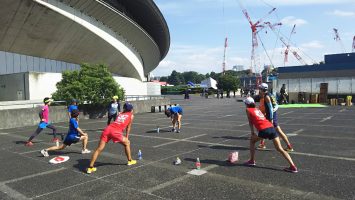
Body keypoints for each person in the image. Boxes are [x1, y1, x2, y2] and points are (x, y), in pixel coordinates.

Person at [244, 97, 298, 173]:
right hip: (271, 127)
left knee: (252, 141)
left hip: (264, 130)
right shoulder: (257, 109)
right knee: (280, 149)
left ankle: (252, 160)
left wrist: (252, 132)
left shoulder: (248, 110)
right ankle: (293, 166)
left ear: (246, 104)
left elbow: (250, 122)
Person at [87, 102, 137, 174]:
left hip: (108, 129)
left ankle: (90, 168)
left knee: (99, 149)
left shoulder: (120, 114)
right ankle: (130, 160)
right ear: (131, 109)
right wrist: (127, 137)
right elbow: (128, 128)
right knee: (127, 143)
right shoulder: (131, 116)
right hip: (115, 132)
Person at [257, 83, 294, 151]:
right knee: (263, 129)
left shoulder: (266, 97)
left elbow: (271, 108)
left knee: (278, 131)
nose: (259, 90)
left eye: (260, 89)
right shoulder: (270, 94)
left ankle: (289, 146)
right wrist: (274, 111)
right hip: (272, 115)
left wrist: (271, 119)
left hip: (271, 117)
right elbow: (276, 105)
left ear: (262, 89)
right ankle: (262, 144)